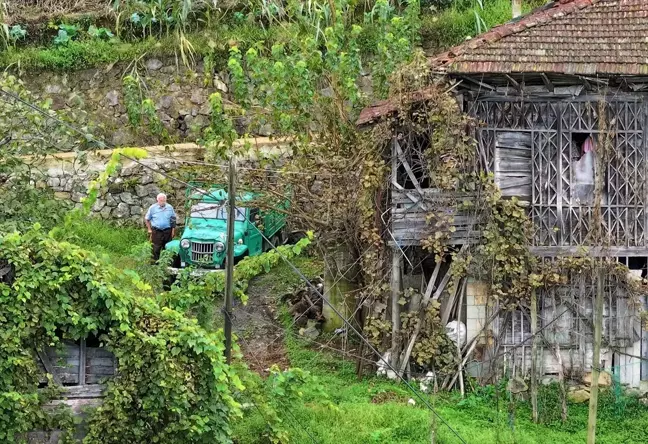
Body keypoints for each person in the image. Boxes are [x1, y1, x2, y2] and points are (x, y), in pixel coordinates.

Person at [144, 193, 177, 262]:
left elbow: (173, 219)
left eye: (164, 200)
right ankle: (154, 265)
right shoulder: (152, 208)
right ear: (157, 200)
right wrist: (149, 229)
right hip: (156, 231)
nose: (162, 202)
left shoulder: (169, 207)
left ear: (166, 200)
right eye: (161, 200)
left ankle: (166, 263)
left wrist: (173, 231)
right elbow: (147, 219)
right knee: (156, 248)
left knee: (168, 247)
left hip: (167, 231)